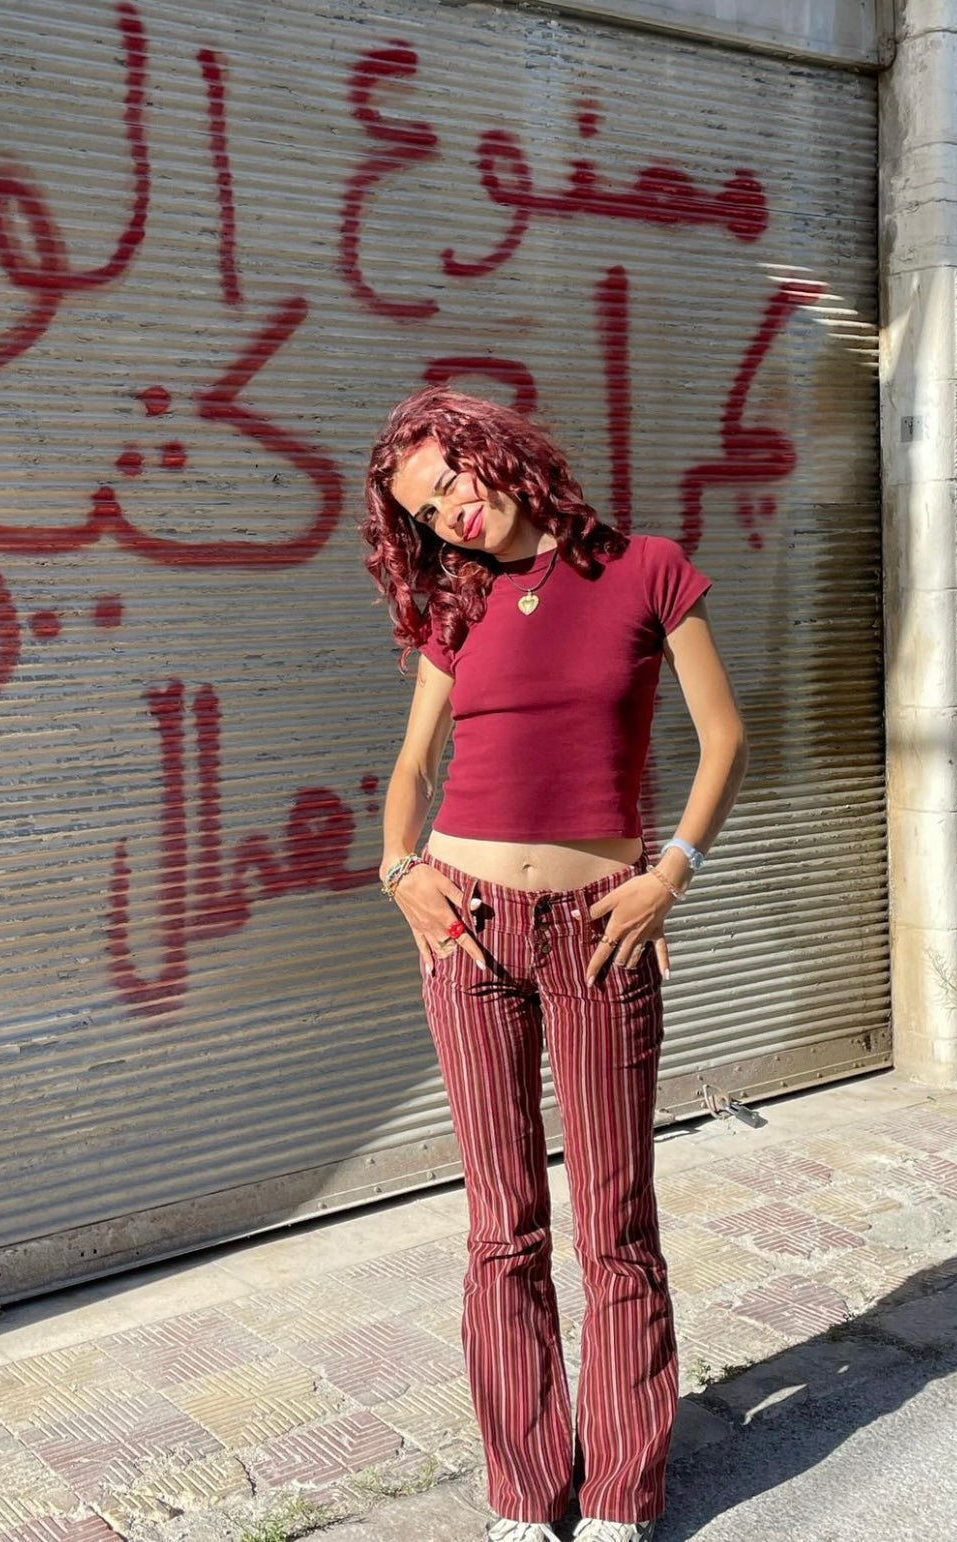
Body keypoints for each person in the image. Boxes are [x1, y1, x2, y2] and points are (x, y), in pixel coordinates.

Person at [361, 388, 747, 1542]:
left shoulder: (647, 570)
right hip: (465, 927)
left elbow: (724, 734)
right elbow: (410, 767)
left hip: (599, 927)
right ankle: (526, 1497)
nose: (451, 516)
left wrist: (667, 872)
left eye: (455, 482)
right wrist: (397, 870)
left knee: (616, 1224)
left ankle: (624, 1493)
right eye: (426, 512)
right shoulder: (458, 612)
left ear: (499, 453)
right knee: (502, 1225)